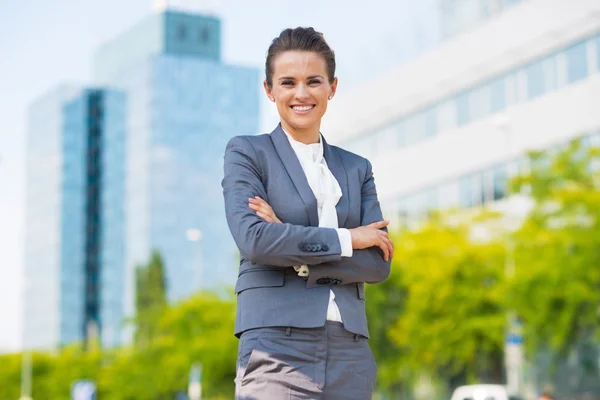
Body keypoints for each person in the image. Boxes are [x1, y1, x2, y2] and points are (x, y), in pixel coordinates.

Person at [222, 26, 394, 400]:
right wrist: (349, 238)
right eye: (288, 82)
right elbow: (255, 240)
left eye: (314, 81)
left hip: (350, 350)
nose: (301, 94)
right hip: (274, 347)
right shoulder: (248, 154)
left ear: (332, 87)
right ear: (269, 90)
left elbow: (377, 263)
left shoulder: (356, 168)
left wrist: (292, 244)